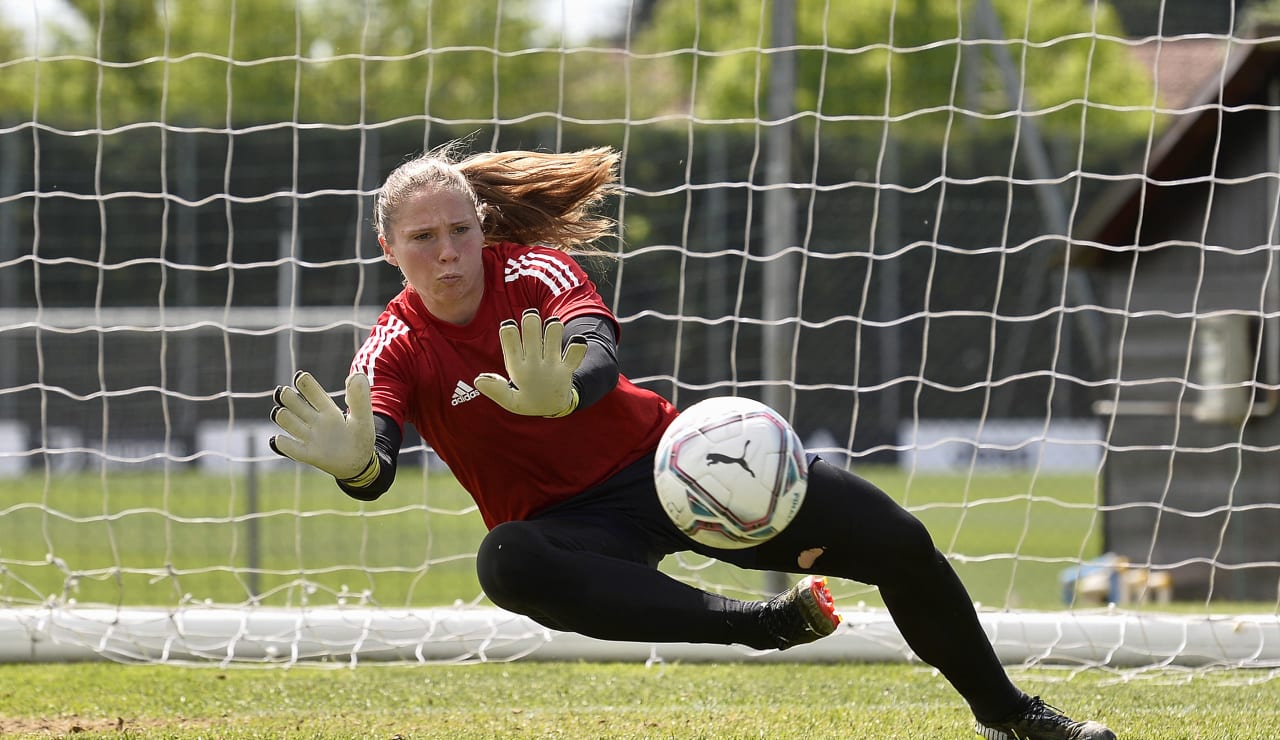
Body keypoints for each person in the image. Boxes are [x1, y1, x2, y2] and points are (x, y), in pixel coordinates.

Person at [267, 141, 1117, 740]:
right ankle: (754, 626)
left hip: (674, 468)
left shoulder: (531, 269)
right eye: (424, 238)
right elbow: (370, 444)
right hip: (574, 529)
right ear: (390, 249)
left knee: (901, 541)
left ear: (480, 225)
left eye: (460, 229)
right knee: (505, 562)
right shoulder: (393, 343)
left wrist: (568, 390)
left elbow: (594, 342)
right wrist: (358, 466)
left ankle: (1011, 716)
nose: (449, 252)